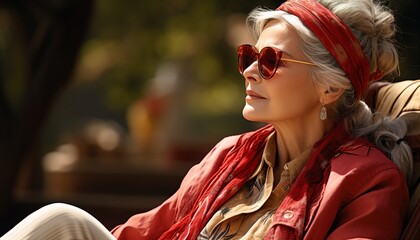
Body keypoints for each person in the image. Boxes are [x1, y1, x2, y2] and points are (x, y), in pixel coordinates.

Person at [1, 0, 413, 239]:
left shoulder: (365, 180)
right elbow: (147, 231)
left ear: (329, 88)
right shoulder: (232, 155)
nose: (250, 70)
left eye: (270, 61)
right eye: (249, 56)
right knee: (63, 220)